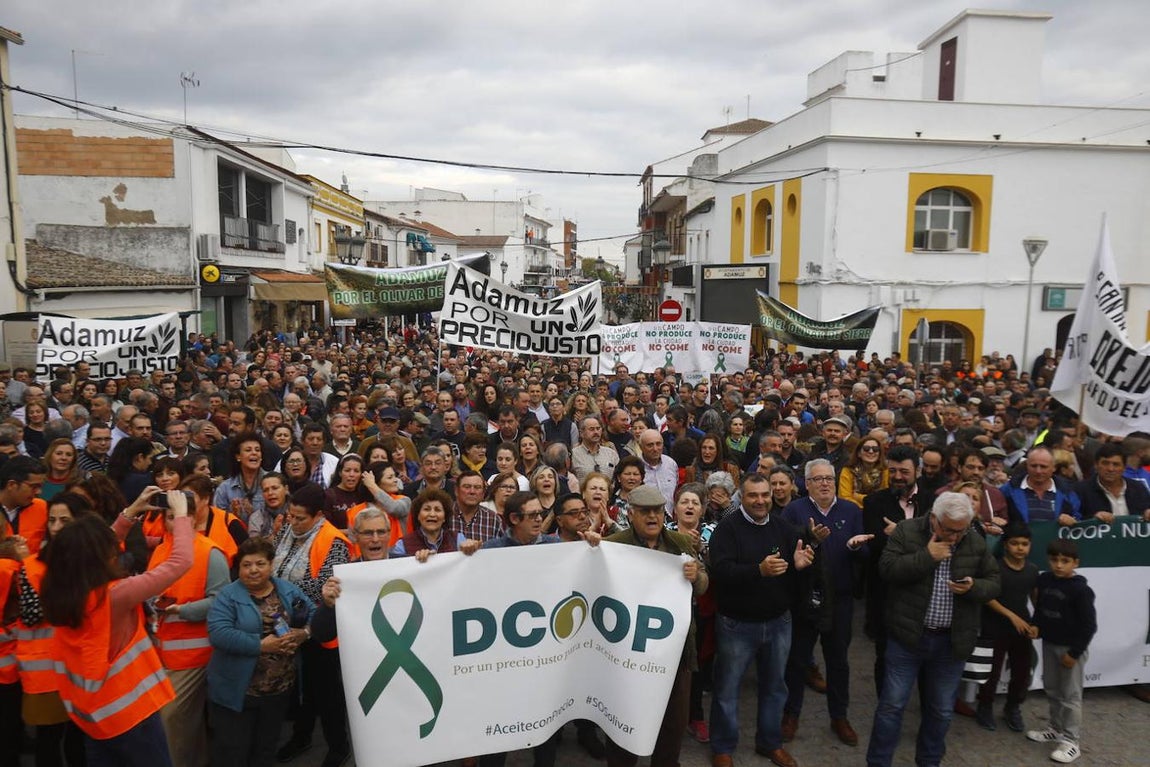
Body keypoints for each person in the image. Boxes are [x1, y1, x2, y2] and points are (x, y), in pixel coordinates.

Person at [41, 491, 194, 766]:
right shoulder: (114, 595)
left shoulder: (59, 589)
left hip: (92, 713)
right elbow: (180, 562)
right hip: (130, 712)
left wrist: (129, 513)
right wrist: (182, 514)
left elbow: (89, 549)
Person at [865, 492, 1001, 767]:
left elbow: (994, 582)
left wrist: (974, 587)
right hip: (906, 638)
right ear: (935, 520)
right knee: (892, 707)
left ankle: (929, 762)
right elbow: (887, 570)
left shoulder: (972, 539)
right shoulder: (907, 530)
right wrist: (927, 556)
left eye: (960, 531)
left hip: (950, 644)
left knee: (940, 711)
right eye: (949, 530)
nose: (955, 537)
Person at [708, 473, 815, 767]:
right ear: (742, 497)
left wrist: (800, 566)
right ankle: (723, 747)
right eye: (753, 495)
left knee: (775, 687)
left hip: (779, 623)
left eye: (765, 495)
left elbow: (795, 572)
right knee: (727, 691)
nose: (760, 501)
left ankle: (770, 743)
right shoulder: (727, 529)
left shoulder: (784, 528)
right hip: (737, 625)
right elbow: (721, 571)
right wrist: (758, 570)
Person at [603, 484, 707, 767]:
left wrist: (696, 575)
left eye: (658, 511)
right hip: (628, 655)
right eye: (645, 511)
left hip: (675, 654)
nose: (653, 517)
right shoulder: (613, 545)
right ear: (632, 514)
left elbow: (703, 586)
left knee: (673, 726)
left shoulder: (681, 543)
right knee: (625, 721)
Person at [781, 459, 872, 747]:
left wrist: (857, 548)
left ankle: (839, 716)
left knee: (838, 661)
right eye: (817, 479)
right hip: (805, 598)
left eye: (829, 478)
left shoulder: (850, 510)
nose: (824, 483)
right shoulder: (794, 510)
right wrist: (811, 540)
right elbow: (786, 550)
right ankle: (791, 713)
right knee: (797, 660)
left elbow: (865, 553)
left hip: (840, 599)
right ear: (806, 483)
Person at [207, 536, 314, 767]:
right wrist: (260, 645)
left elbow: (313, 613)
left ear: (271, 564)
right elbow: (218, 633)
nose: (253, 570)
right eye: (246, 565)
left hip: (278, 691)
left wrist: (303, 633)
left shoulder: (287, 590)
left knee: (265, 751)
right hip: (239, 693)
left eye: (260, 564)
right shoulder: (228, 596)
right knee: (233, 753)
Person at [148, 486, 230, 767]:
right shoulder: (160, 550)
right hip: (162, 654)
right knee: (186, 727)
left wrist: (184, 610)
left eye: (177, 516)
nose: (172, 522)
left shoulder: (210, 553)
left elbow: (221, 600)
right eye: (168, 516)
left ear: (193, 518)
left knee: (171, 721)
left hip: (194, 656)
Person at [272, 484, 351, 767]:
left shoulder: (334, 540)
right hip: (285, 624)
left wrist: (282, 588)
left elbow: (324, 587)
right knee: (300, 691)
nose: (293, 522)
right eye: (290, 515)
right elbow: (273, 563)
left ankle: (338, 746)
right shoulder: (286, 530)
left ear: (318, 515)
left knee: (326, 692)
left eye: (300, 518)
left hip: (320, 628)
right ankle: (300, 736)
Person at [14, 492, 90, 767]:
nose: (56, 527)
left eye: (64, 520)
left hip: (82, 670)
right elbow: (34, 614)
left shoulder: (92, 563)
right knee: (48, 743)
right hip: (45, 672)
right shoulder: (33, 566)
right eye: (52, 520)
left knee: (78, 741)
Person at [1026, 539, 1097, 764]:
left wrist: (1074, 653)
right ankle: (1055, 729)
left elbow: (1089, 625)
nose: (1058, 565)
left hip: (1070, 650)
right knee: (1053, 689)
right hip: (1049, 644)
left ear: (1075, 563)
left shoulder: (1081, 590)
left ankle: (1071, 741)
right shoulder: (1045, 580)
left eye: (1065, 561)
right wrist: (1036, 623)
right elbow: (1041, 606)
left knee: (1071, 696)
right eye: (1054, 560)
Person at [975, 524, 1038, 733]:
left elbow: (1035, 597)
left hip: (1021, 628)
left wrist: (1036, 623)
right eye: (1015, 543)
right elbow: (987, 597)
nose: (1020, 548)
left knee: (1021, 672)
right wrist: (1011, 616)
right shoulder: (995, 567)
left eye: (1024, 544)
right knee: (991, 672)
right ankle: (985, 706)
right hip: (995, 626)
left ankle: (1013, 707)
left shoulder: (1032, 570)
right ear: (1005, 545)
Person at [1001, 445, 1081, 526]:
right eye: (1034, 466)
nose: (1038, 471)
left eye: (1043, 467)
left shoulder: (1067, 492)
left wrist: (1072, 521)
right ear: (1027, 465)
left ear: (1054, 468)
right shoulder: (1009, 490)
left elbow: (1078, 519)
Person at [1075, 442, 1150, 522]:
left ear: (1124, 467)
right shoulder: (1080, 490)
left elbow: (1146, 510)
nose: (1110, 469)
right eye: (1105, 463)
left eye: (1116, 464)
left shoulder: (1138, 488)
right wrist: (1093, 519)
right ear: (1096, 465)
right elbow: (1073, 518)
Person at [390, 488, 478, 557]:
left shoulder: (458, 539)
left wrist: (471, 549)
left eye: (438, 510)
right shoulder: (402, 545)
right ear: (418, 516)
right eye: (426, 509)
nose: (432, 514)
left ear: (444, 517)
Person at [838, 436, 888, 507]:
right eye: (866, 449)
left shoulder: (885, 471)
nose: (871, 451)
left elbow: (886, 498)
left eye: (875, 449)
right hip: (853, 511)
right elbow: (845, 498)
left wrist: (858, 497)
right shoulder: (848, 470)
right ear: (859, 453)